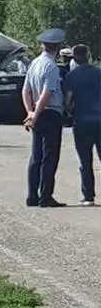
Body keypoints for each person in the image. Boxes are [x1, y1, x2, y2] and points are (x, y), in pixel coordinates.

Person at [22, 28, 67, 208]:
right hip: (49, 113)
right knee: (49, 157)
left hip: (37, 113)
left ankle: (32, 195)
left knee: (36, 156)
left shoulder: (34, 63)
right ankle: (45, 196)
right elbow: (46, 94)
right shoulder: (51, 67)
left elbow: (26, 91)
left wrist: (30, 112)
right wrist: (37, 113)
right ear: (57, 47)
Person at [63, 44, 101, 206]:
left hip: (82, 122)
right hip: (100, 120)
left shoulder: (72, 76)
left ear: (74, 57)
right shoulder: (99, 73)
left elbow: (68, 100)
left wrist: (69, 112)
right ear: (88, 55)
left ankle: (88, 196)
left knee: (85, 161)